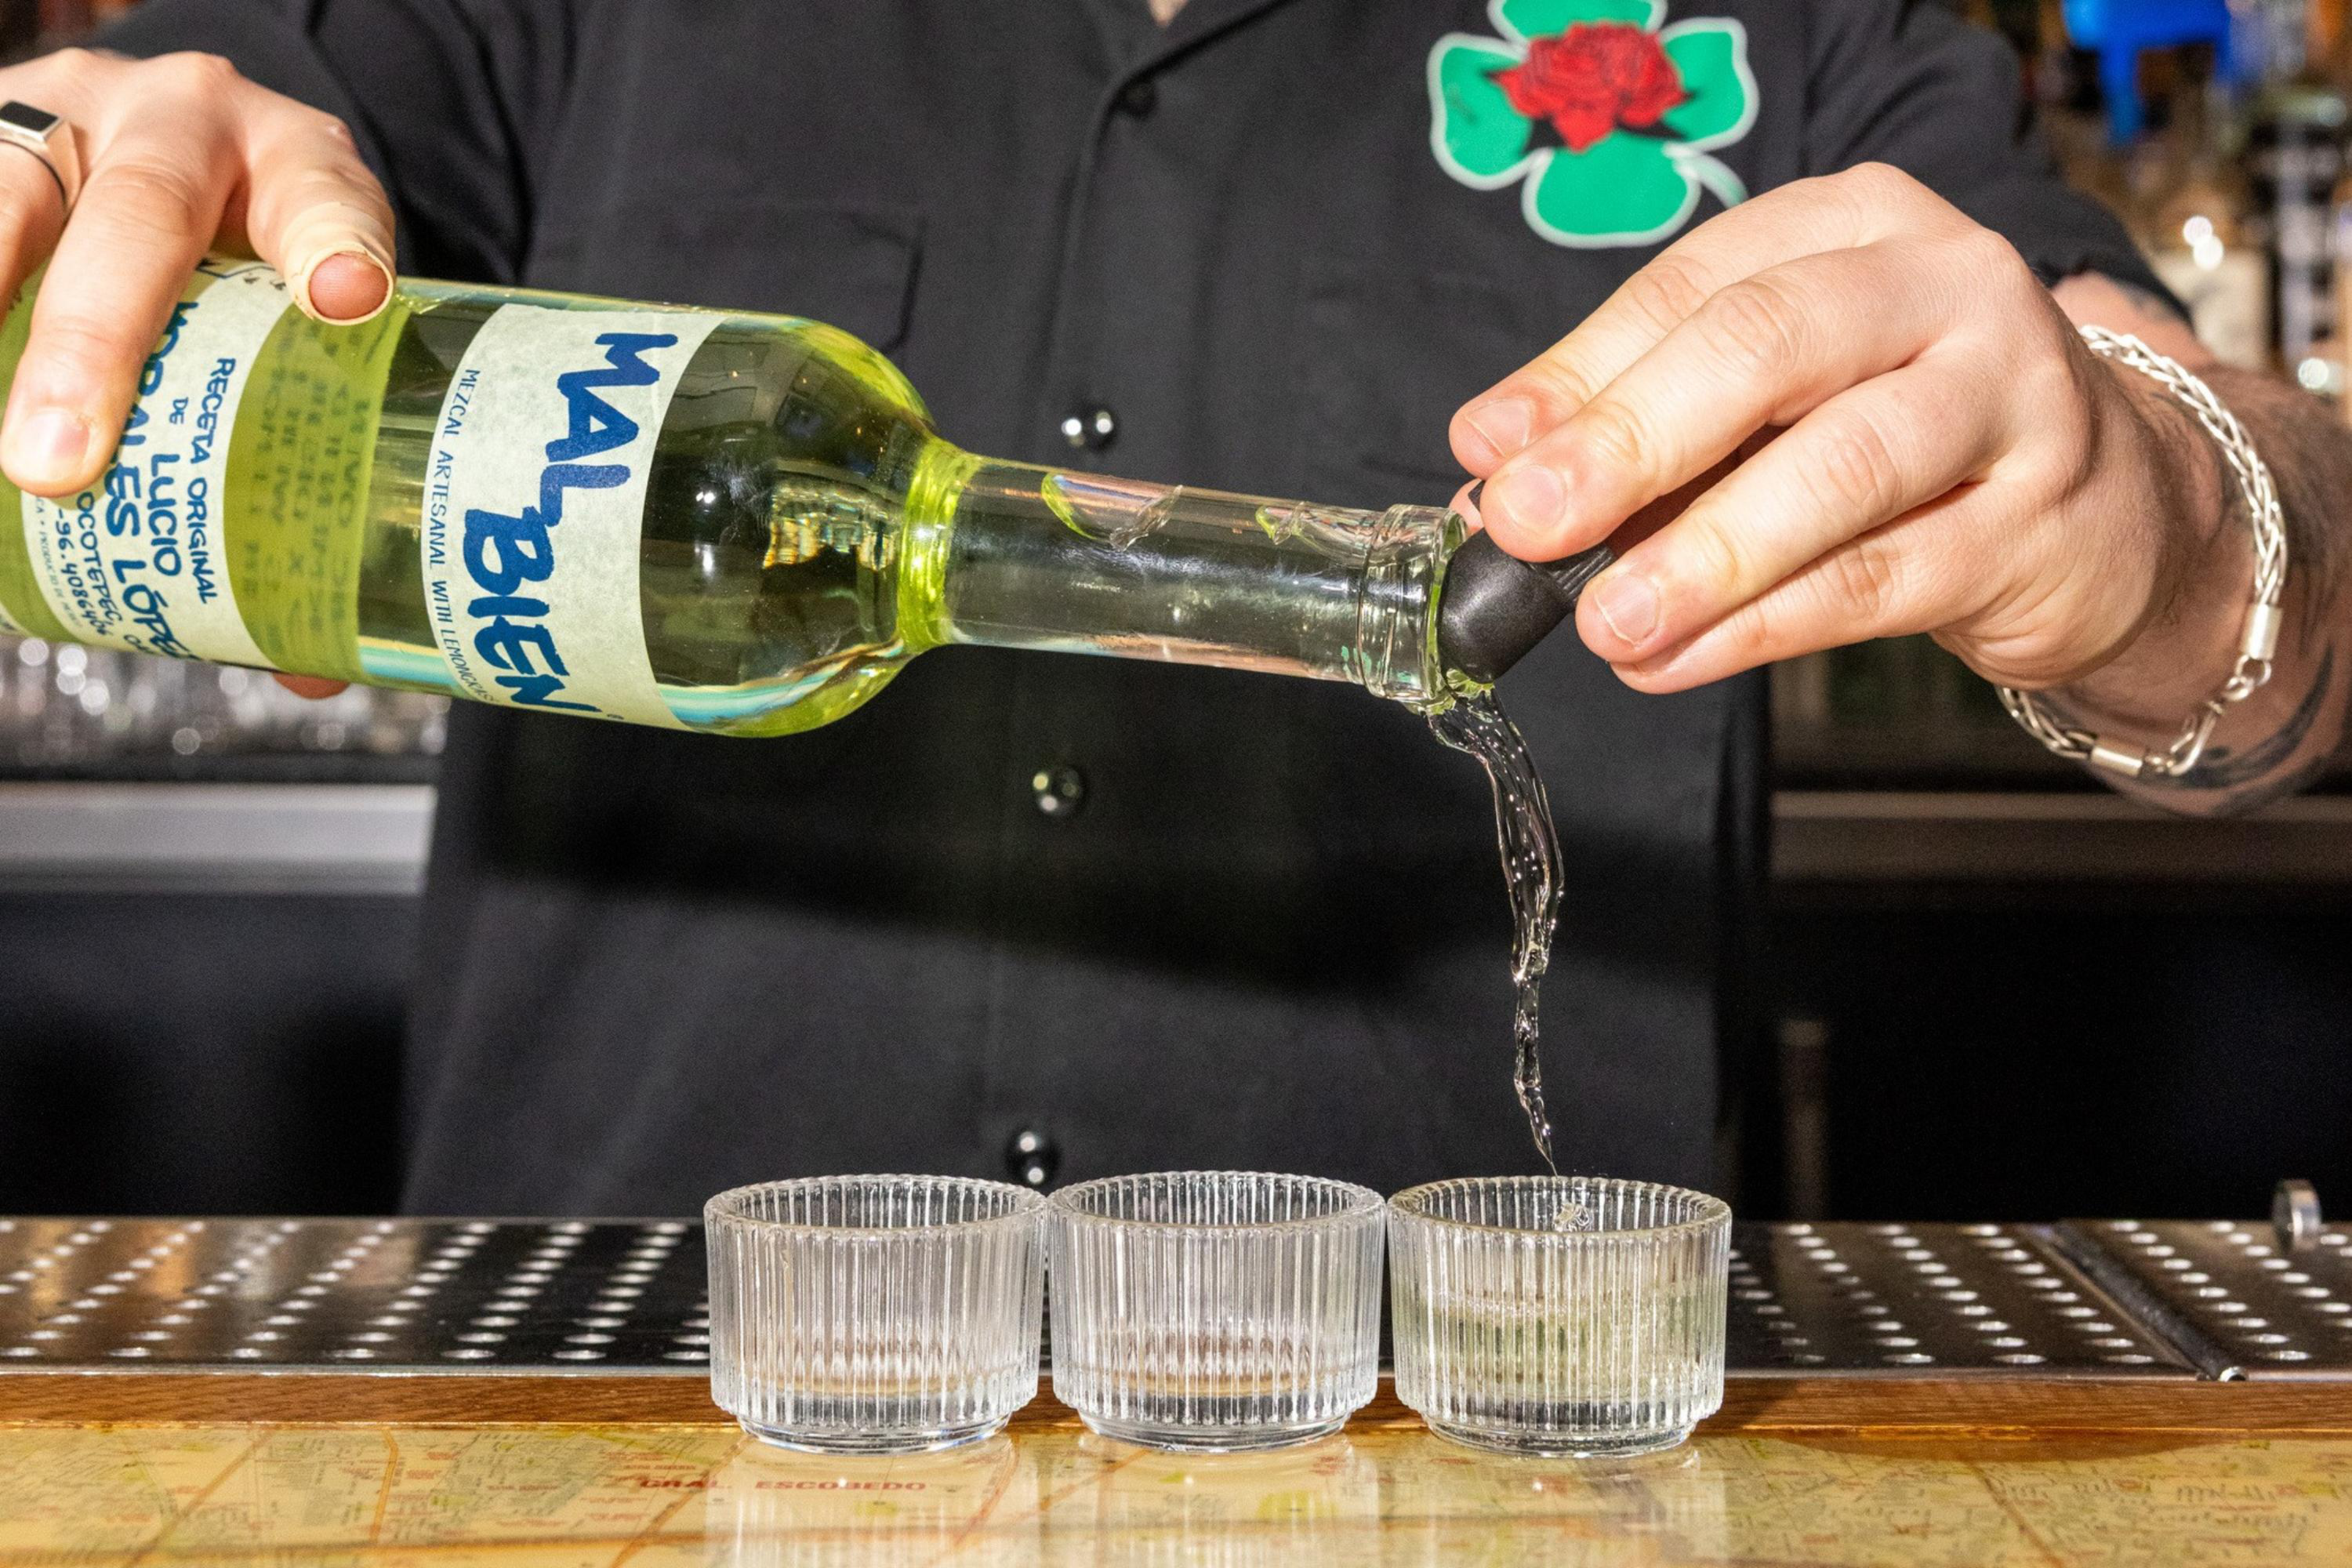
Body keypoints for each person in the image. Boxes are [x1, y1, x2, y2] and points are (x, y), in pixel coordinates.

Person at [0, 0, 2341, 1213]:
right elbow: (187, 148)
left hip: (1499, 1475)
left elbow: (2299, 576)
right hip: (621, 1448)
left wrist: (2170, 507)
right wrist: (70, 169)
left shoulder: (1795, 25)